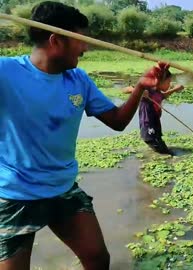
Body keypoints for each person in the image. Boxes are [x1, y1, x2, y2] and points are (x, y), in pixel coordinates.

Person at [0, 1, 170, 269]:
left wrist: (140, 87)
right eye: (81, 40)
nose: (86, 48)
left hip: (62, 188)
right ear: (56, 41)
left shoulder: (78, 80)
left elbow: (117, 121)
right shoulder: (5, 72)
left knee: (97, 258)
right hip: (16, 194)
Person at [123, 69, 184, 155]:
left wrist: (174, 90)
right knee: (165, 152)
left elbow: (163, 96)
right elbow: (125, 90)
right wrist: (139, 91)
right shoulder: (148, 90)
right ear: (159, 81)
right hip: (148, 125)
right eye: (168, 82)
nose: (169, 85)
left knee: (163, 148)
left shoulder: (158, 92)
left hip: (156, 124)